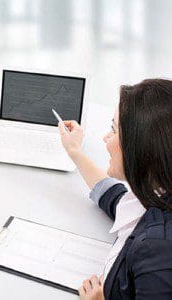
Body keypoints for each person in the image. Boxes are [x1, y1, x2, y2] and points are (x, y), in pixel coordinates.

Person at [58, 79, 172, 299]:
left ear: (140, 146)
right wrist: (74, 151)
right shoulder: (157, 191)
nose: (106, 138)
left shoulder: (157, 252)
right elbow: (117, 200)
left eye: (113, 129)